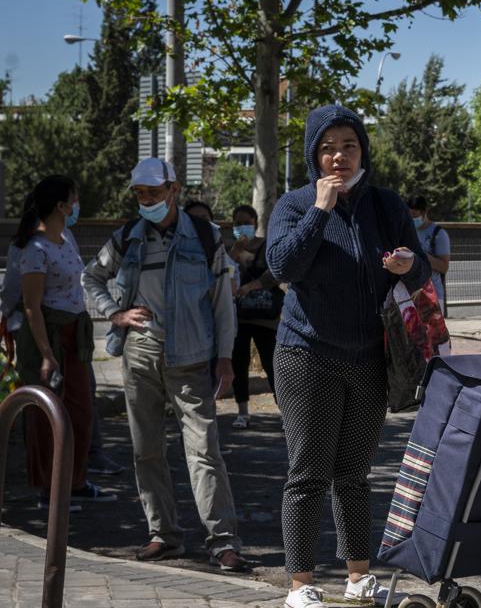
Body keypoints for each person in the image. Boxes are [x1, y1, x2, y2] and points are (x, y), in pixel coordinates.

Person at [266, 104, 431, 608]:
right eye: (328, 147)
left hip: (369, 356)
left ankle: (359, 576)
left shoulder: (385, 204)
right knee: (308, 472)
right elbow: (281, 266)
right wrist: (319, 210)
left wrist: (408, 265)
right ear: (315, 155)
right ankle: (300, 583)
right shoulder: (295, 204)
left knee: (354, 474)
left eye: (349, 145)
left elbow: (421, 271)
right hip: (306, 352)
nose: (339, 156)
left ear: (363, 150)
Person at [81, 158, 248, 571]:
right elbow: (91, 278)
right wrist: (115, 314)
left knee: (204, 452)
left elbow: (222, 304)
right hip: (139, 356)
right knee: (146, 452)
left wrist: (225, 359)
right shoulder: (126, 238)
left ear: (173, 189)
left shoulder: (207, 238)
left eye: (154, 192)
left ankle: (223, 541)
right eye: (140, 193)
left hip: (192, 359)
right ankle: (163, 535)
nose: (146, 200)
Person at [11, 175, 116, 512]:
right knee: (48, 415)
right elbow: (31, 307)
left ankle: (76, 481)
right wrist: (45, 353)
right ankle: (49, 490)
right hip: (51, 338)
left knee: (81, 412)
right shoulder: (35, 249)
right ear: (60, 205)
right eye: (73, 199)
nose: (76, 205)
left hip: (75, 336)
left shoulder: (66, 237)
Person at [227, 204, 281, 428]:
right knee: (239, 365)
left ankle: (286, 411)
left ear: (255, 224)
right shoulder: (233, 250)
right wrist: (235, 253)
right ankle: (242, 412)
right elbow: (225, 273)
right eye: (237, 223)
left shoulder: (267, 246)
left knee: (272, 364)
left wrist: (251, 286)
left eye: (245, 223)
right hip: (240, 317)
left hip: (265, 318)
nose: (241, 227)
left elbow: (276, 273)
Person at [406, 195, 451, 312]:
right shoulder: (407, 232)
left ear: (424, 212)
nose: (412, 219)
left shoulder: (438, 234)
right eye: (409, 216)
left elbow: (444, 266)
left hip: (433, 295)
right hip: (411, 295)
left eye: (415, 215)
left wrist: (419, 255)